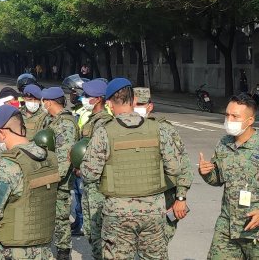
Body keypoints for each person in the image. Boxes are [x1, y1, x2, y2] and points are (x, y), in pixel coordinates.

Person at [79, 78, 190, 260]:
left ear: (109, 104)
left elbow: (89, 174)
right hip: (153, 210)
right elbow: (175, 168)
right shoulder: (158, 129)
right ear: (133, 101)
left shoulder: (104, 132)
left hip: (118, 212)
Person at [198, 93, 259, 259]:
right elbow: (218, 179)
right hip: (227, 230)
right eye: (227, 115)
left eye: (235, 116)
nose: (229, 120)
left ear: (250, 120)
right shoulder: (224, 144)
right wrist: (207, 173)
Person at [0, 104, 59, 260]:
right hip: (44, 250)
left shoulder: (7, 166)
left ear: (2, 133)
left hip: (12, 252)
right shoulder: (49, 157)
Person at [135, 87, 193, 246]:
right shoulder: (121, 129)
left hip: (162, 198)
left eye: (141, 104)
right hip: (132, 202)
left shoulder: (165, 129)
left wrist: (180, 197)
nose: (137, 108)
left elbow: (184, 164)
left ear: (150, 106)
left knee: (157, 248)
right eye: (134, 104)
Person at [40, 86, 77, 259]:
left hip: (58, 181)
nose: (42, 105)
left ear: (49, 102)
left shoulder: (65, 124)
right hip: (48, 176)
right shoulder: (52, 120)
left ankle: (63, 252)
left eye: (44, 101)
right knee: (49, 217)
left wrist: (53, 179)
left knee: (61, 218)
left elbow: (65, 158)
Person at [77, 78, 110, 258]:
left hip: (98, 184)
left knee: (97, 229)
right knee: (91, 229)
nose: (83, 98)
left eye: (87, 95)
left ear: (97, 99)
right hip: (89, 180)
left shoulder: (103, 122)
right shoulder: (92, 119)